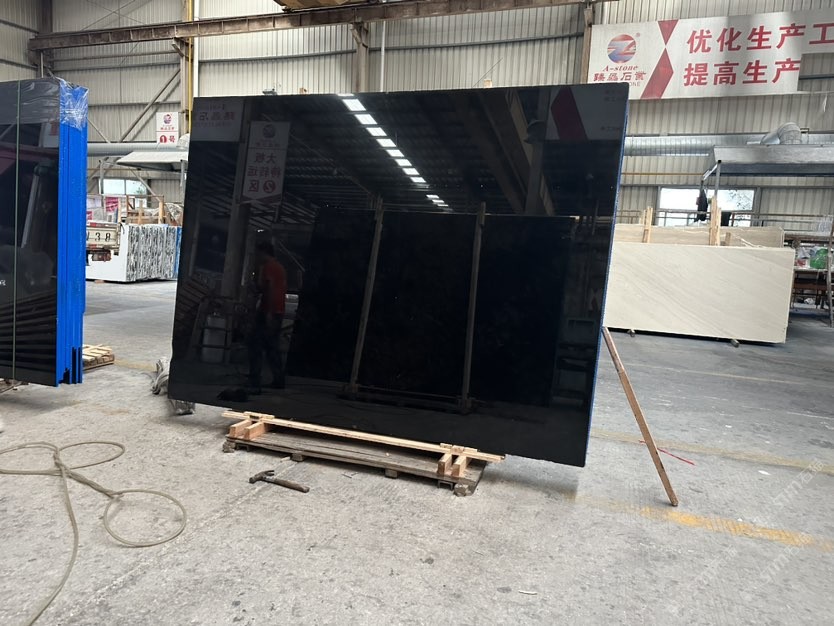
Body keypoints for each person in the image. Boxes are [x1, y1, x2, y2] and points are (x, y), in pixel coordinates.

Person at [248, 241, 287, 390]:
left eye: (258, 253)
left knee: (255, 345)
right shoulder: (280, 267)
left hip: (268, 311)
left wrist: (268, 313)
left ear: (263, 252)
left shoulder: (269, 267)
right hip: (277, 311)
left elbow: (270, 288)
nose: (257, 256)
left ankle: (254, 381)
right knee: (272, 347)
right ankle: (278, 379)